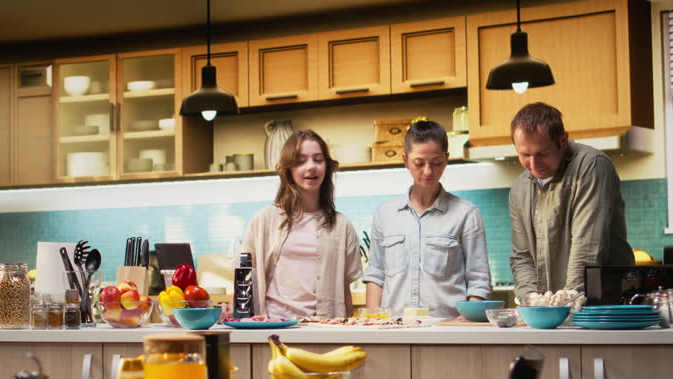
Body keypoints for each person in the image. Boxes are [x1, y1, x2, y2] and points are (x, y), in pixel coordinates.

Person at [364, 120, 492, 319]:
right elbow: (375, 275)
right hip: (394, 328)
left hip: (447, 330)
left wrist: (466, 320)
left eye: (436, 163)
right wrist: (372, 320)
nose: (428, 171)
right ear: (405, 160)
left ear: (447, 159)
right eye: (419, 163)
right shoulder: (385, 214)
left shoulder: (466, 214)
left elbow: (479, 280)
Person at [509, 102, 634, 303]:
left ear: (563, 140)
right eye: (525, 155)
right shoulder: (519, 188)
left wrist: (568, 299)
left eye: (542, 153)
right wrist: (531, 298)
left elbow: (588, 245)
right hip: (554, 312)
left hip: (603, 303)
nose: (533, 164)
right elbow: (521, 256)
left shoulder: (592, 165)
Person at [236, 129, 362, 319]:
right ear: (288, 169)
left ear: (327, 166)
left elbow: (344, 291)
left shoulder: (341, 226)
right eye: (301, 161)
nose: (311, 167)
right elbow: (243, 280)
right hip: (273, 327)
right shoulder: (264, 220)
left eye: (318, 160)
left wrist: (348, 331)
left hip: (324, 329)